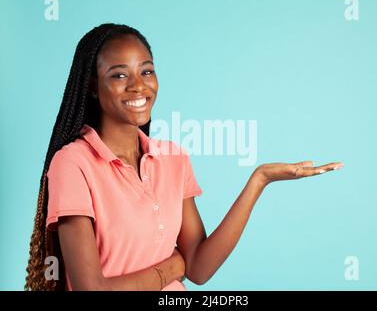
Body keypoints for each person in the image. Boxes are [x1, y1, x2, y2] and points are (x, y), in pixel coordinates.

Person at [25, 23, 344, 291]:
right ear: (94, 87)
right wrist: (169, 269)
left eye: (146, 71)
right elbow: (91, 288)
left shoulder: (172, 159)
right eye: (120, 75)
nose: (138, 86)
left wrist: (259, 180)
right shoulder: (72, 163)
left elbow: (199, 268)